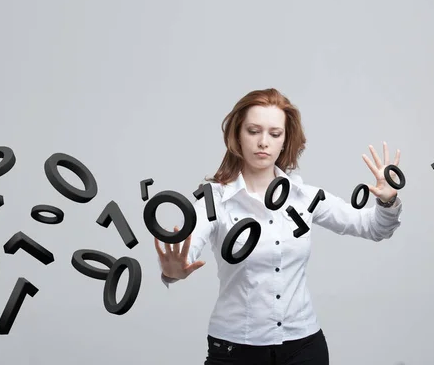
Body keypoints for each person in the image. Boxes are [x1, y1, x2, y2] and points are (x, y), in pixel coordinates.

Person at [154, 88, 403, 364]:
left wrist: (388, 202)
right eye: (253, 131)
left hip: (304, 347)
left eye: (274, 134)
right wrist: (173, 271)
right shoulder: (214, 199)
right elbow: (184, 252)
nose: (263, 142)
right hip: (235, 349)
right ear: (238, 135)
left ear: (285, 141)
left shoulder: (304, 196)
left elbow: (373, 227)